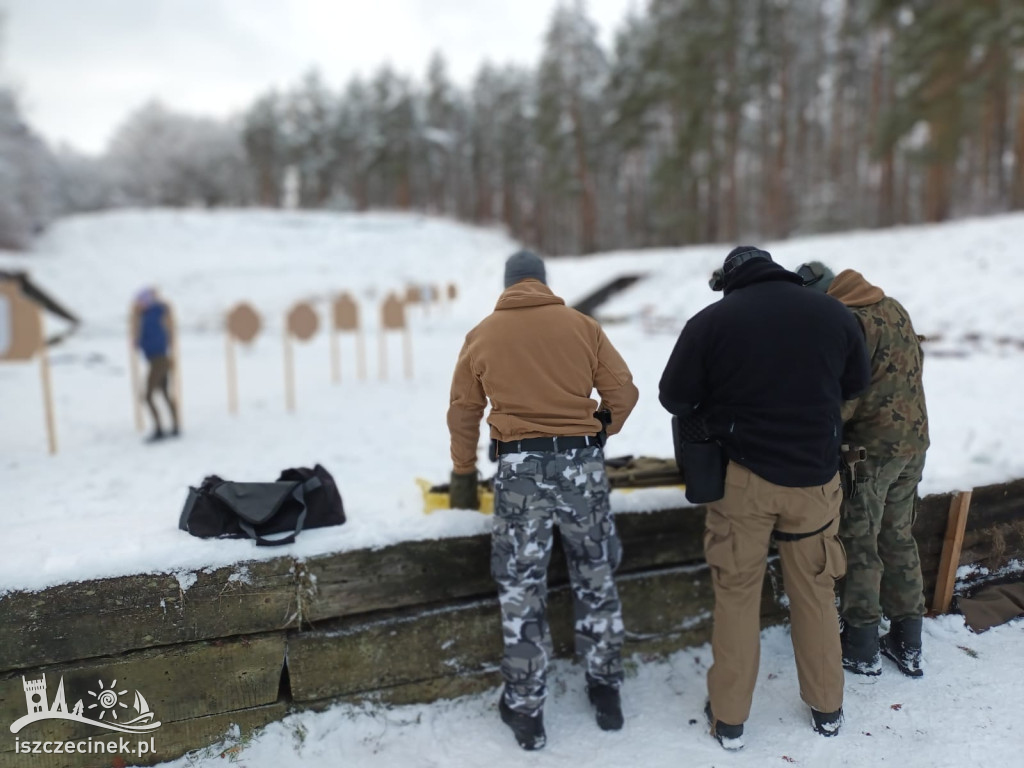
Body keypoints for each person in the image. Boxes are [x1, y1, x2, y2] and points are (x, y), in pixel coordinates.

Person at [659, 246, 870, 750]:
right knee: (816, 593)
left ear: (732, 281)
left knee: (736, 596)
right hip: (815, 478)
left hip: (743, 481)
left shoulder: (712, 321)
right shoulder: (835, 313)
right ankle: (827, 709)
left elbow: (674, 396)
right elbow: (856, 383)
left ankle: (730, 719)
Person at [447, 250, 639, 751]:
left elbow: (464, 413)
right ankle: (606, 692)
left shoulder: (482, 335)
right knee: (595, 574)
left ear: (508, 284)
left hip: (520, 473)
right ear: (543, 282)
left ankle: (527, 711)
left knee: (521, 585)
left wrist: (464, 474)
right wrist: (599, 430)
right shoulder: (582, 326)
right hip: (582, 469)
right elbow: (623, 393)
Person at [797, 261, 929, 678]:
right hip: (912, 443)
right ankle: (908, 641)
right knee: (898, 537)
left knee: (860, 546)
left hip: (867, 453)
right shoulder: (892, 307)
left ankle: (861, 644)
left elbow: (844, 398)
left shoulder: (847, 323)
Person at [134, 288, 180, 441]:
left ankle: (160, 429)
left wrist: (140, 343)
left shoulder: (152, 316)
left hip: (158, 360)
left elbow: (156, 338)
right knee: (164, 394)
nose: (138, 305)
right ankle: (174, 426)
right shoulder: (149, 315)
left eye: (140, 302)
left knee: (147, 396)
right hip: (158, 359)